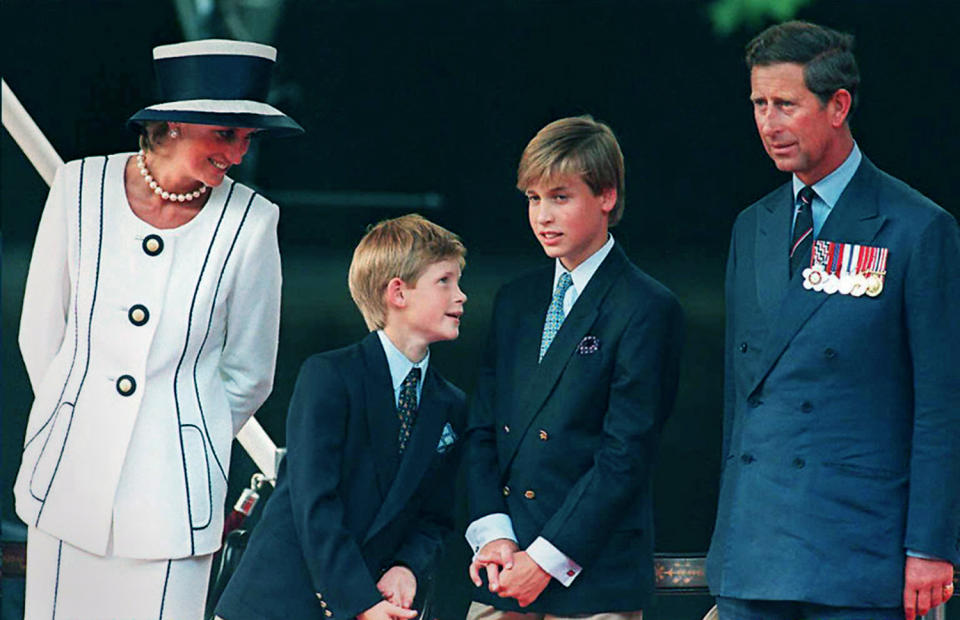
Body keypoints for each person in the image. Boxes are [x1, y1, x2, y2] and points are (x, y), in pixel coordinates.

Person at [13, 39, 302, 618]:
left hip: (173, 502)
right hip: (67, 483)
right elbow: (39, 332)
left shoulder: (253, 221)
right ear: (172, 121)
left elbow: (250, 372)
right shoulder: (78, 189)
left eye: (248, 138)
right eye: (226, 134)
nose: (239, 154)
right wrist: (78, 419)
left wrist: (183, 441)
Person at [706, 20, 960, 620]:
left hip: (859, 552)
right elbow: (741, 400)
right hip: (753, 548)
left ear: (838, 105)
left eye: (786, 105)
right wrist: (728, 536)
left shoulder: (917, 228)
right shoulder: (754, 225)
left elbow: (941, 405)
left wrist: (929, 546)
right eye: (759, 105)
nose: (770, 124)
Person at [464, 116, 683, 620]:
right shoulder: (515, 299)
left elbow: (625, 454)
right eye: (533, 199)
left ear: (606, 195)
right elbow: (482, 429)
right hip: (503, 565)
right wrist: (494, 533)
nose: (543, 215)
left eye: (560, 197)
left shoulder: (647, 306)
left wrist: (544, 559)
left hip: (593, 574)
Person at [214, 214, 467, 620]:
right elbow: (315, 502)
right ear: (398, 293)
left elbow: (435, 517)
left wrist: (407, 567)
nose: (461, 296)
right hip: (280, 603)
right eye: (445, 281)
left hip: (376, 602)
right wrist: (359, 602)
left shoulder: (450, 402)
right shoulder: (331, 376)